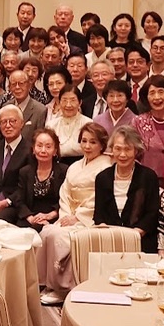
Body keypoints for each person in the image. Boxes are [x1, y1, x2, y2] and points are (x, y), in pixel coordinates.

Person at [36, 123, 112, 304]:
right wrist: (66, 215)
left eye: (93, 142)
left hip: (89, 217)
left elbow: (100, 196)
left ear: (102, 144)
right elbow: (65, 192)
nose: (87, 146)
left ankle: (63, 288)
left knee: (59, 237)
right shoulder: (75, 166)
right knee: (46, 232)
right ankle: (48, 283)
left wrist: (78, 216)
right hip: (69, 213)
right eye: (84, 141)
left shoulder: (107, 166)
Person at [93, 126, 161, 253]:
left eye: (128, 149)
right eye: (118, 149)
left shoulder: (148, 177)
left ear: (136, 150)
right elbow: (99, 214)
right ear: (111, 149)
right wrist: (107, 235)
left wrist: (133, 236)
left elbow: (152, 213)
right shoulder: (102, 178)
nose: (122, 154)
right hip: (110, 241)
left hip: (141, 241)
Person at [13, 128, 68, 231]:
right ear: (33, 149)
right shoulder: (25, 172)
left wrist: (49, 216)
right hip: (29, 219)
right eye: (39, 146)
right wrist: (31, 218)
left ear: (55, 151)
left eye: (48, 147)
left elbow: (66, 200)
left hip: (54, 219)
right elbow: (19, 201)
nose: (43, 150)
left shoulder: (64, 171)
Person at [133, 75, 164, 180]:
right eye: (152, 93)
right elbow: (133, 153)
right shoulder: (138, 122)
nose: (157, 97)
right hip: (147, 180)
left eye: (161, 92)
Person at [48, 84, 92, 164]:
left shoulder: (88, 124)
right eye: (64, 100)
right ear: (59, 102)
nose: (68, 105)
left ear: (80, 103)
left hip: (83, 164)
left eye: (73, 100)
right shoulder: (51, 125)